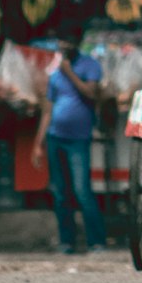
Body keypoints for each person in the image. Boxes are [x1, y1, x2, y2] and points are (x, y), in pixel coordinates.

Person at [31, 24, 106, 254]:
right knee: (60, 192)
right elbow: (47, 110)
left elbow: (91, 93)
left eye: (69, 42)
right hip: (56, 137)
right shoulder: (54, 72)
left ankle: (96, 240)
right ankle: (67, 241)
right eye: (61, 42)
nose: (64, 46)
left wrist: (69, 73)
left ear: (77, 42)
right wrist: (38, 143)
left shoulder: (89, 66)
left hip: (78, 138)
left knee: (82, 190)